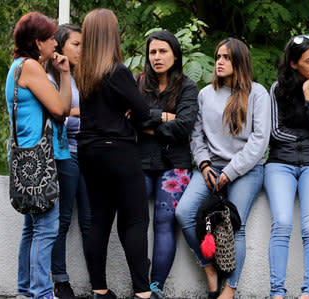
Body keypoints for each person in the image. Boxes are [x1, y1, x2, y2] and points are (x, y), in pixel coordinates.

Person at [175, 38, 271, 299]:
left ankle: (230, 289)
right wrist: (204, 165)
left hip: (246, 169)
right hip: (210, 167)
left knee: (234, 225)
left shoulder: (258, 93)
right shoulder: (205, 94)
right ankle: (210, 271)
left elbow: (259, 141)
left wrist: (230, 173)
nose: (219, 61)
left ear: (239, 61)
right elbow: (197, 136)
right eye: (218, 56)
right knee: (184, 213)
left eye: (226, 57)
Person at [75, 8, 153, 299]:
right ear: (111, 35)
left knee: (98, 219)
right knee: (134, 219)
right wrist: (129, 111)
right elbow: (144, 113)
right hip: (118, 150)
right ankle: (142, 293)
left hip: (88, 151)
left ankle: (100, 291)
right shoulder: (117, 71)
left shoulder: (82, 72)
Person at [263, 34, 309, 299]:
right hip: (280, 163)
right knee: (281, 223)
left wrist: (308, 96)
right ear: (294, 64)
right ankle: (277, 293)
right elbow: (275, 132)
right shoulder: (276, 90)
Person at [5, 12, 72, 299]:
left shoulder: (19, 66)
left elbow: (61, 107)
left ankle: (26, 291)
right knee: (46, 227)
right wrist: (65, 76)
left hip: (25, 156)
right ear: (37, 42)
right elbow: (60, 110)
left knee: (33, 227)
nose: (56, 43)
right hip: (39, 158)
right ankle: (41, 294)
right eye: (50, 39)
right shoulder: (30, 66)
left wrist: (64, 74)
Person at [137, 30, 199, 299]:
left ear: (175, 54)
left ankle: (155, 287)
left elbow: (184, 126)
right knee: (135, 220)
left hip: (175, 163)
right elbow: (130, 120)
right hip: (140, 161)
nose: (157, 57)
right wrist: (162, 116)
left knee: (164, 219)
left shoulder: (188, 86)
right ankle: (140, 287)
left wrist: (148, 126)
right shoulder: (137, 83)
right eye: (152, 52)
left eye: (163, 51)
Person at [46, 24, 91, 299]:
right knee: (62, 220)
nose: (81, 50)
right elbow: (57, 114)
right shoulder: (51, 78)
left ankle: (97, 282)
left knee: (89, 221)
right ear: (60, 46)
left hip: (89, 153)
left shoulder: (83, 77)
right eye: (76, 44)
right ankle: (60, 281)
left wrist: (74, 111)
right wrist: (76, 111)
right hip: (64, 155)